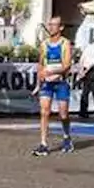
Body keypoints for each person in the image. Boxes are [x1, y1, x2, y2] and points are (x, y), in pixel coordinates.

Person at [32, 17, 74, 156]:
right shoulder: (44, 44)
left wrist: (53, 71)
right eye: (49, 25)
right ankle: (43, 143)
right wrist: (38, 84)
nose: (50, 27)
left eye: (53, 25)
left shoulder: (65, 43)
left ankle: (67, 136)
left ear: (61, 27)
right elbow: (41, 65)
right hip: (47, 83)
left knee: (63, 114)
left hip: (61, 82)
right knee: (44, 112)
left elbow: (67, 65)